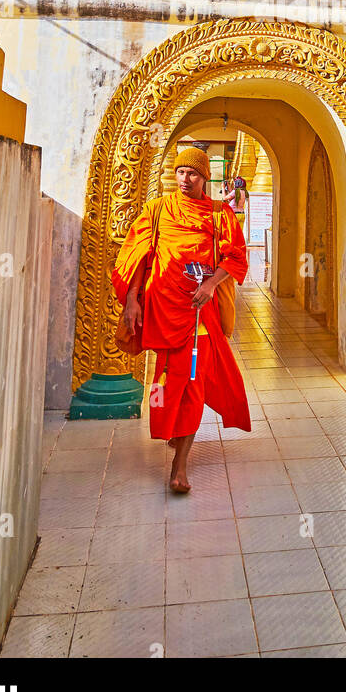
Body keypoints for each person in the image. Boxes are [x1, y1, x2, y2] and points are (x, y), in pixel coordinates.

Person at [112, 146, 250, 493]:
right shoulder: (158, 210)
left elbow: (234, 257)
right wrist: (132, 301)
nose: (185, 180)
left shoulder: (220, 215)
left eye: (193, 174)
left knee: (193, 384)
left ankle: (180, 465)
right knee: (164, 383)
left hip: (200, 315)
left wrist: (210, 284)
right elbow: (138, 257)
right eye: (180, 173)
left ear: (205, 178)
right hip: (163, 311)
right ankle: (171, 431)